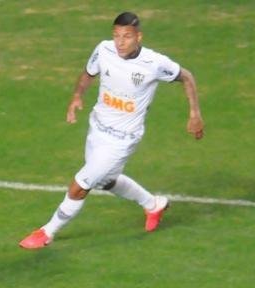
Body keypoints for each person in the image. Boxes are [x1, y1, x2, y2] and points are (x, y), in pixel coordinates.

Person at [20, 11, 204, 249]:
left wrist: (195, 114)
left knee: (81, 184)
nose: (120, 42)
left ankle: (47, 232)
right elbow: (88, 74)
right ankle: (154, 205)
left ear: (139, 37)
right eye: (116, 35)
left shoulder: (154, 63)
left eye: (126, 36)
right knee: (106, 181)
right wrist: (77, 96)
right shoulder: (104, 50)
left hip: (122, 139)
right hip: (97, 128)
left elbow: (187, 77)